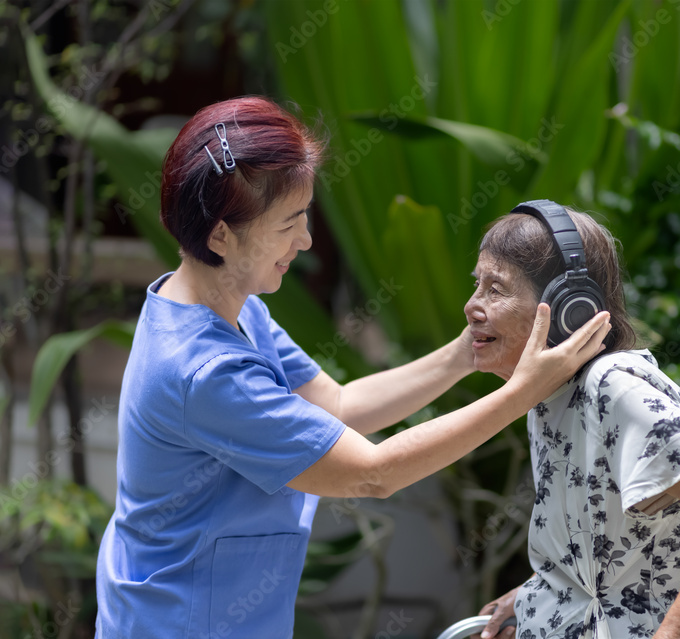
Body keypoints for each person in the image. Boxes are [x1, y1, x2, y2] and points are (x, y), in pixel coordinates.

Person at [93, 98, 611, 639]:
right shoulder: (204, 372)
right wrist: (523, 392)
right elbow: (373, 472)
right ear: (221, 235)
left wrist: (467, 351)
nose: (306, 240)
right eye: (289, 223)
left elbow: (340, 406)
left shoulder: (231, 303)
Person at [468, 203, 680, 639]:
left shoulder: (611, 386)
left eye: (495, 289)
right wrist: (532, 596)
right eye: (476, 285)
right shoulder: (550, 394)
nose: (472, 305)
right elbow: (617, 554)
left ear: (567, 307)